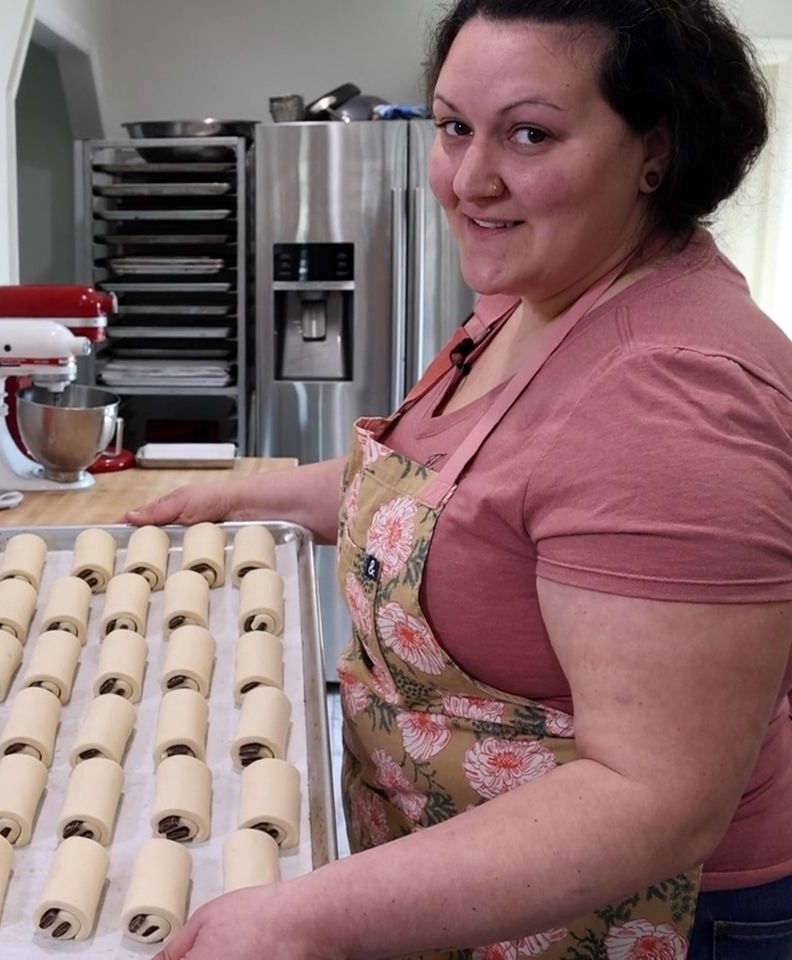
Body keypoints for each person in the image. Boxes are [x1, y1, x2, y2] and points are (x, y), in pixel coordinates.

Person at [131, 1, 792, 957]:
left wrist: (306, 919)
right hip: (471, 876)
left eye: (530, 134)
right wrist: (242, 498)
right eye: (452, 127)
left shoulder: (669, 398)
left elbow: (655, 797)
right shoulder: (531, 296)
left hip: (638, 913)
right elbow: (437, 506)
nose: (468, 181)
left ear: (657, 148)